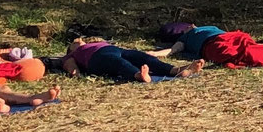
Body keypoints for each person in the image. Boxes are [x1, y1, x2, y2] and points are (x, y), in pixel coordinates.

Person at [55, 40, 201, 83]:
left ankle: (175, 70)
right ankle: (138, 75)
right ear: (70, 49)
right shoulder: (72, 55)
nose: (80, 40)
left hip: (116, 49)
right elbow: (71, 66)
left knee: (143, 57)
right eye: (75, 42)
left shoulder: (97, 42)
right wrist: (77, 74)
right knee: (117, 62)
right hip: (96, 59)